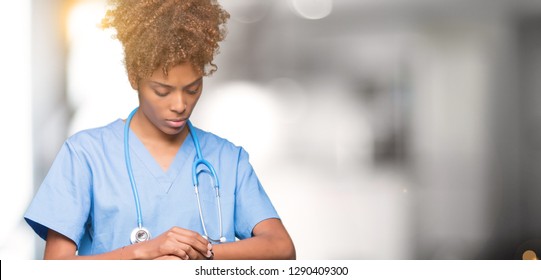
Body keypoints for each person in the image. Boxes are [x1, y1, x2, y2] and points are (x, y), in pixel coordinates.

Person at [24, 0, 295, 260]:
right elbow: (57, 265)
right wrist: (144, 252)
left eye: (192, 89)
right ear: (134, 77)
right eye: (162, 91)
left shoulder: (227, 159)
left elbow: (282, 248)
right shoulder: (85, 154)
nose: (180, 105)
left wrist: (197, 255)